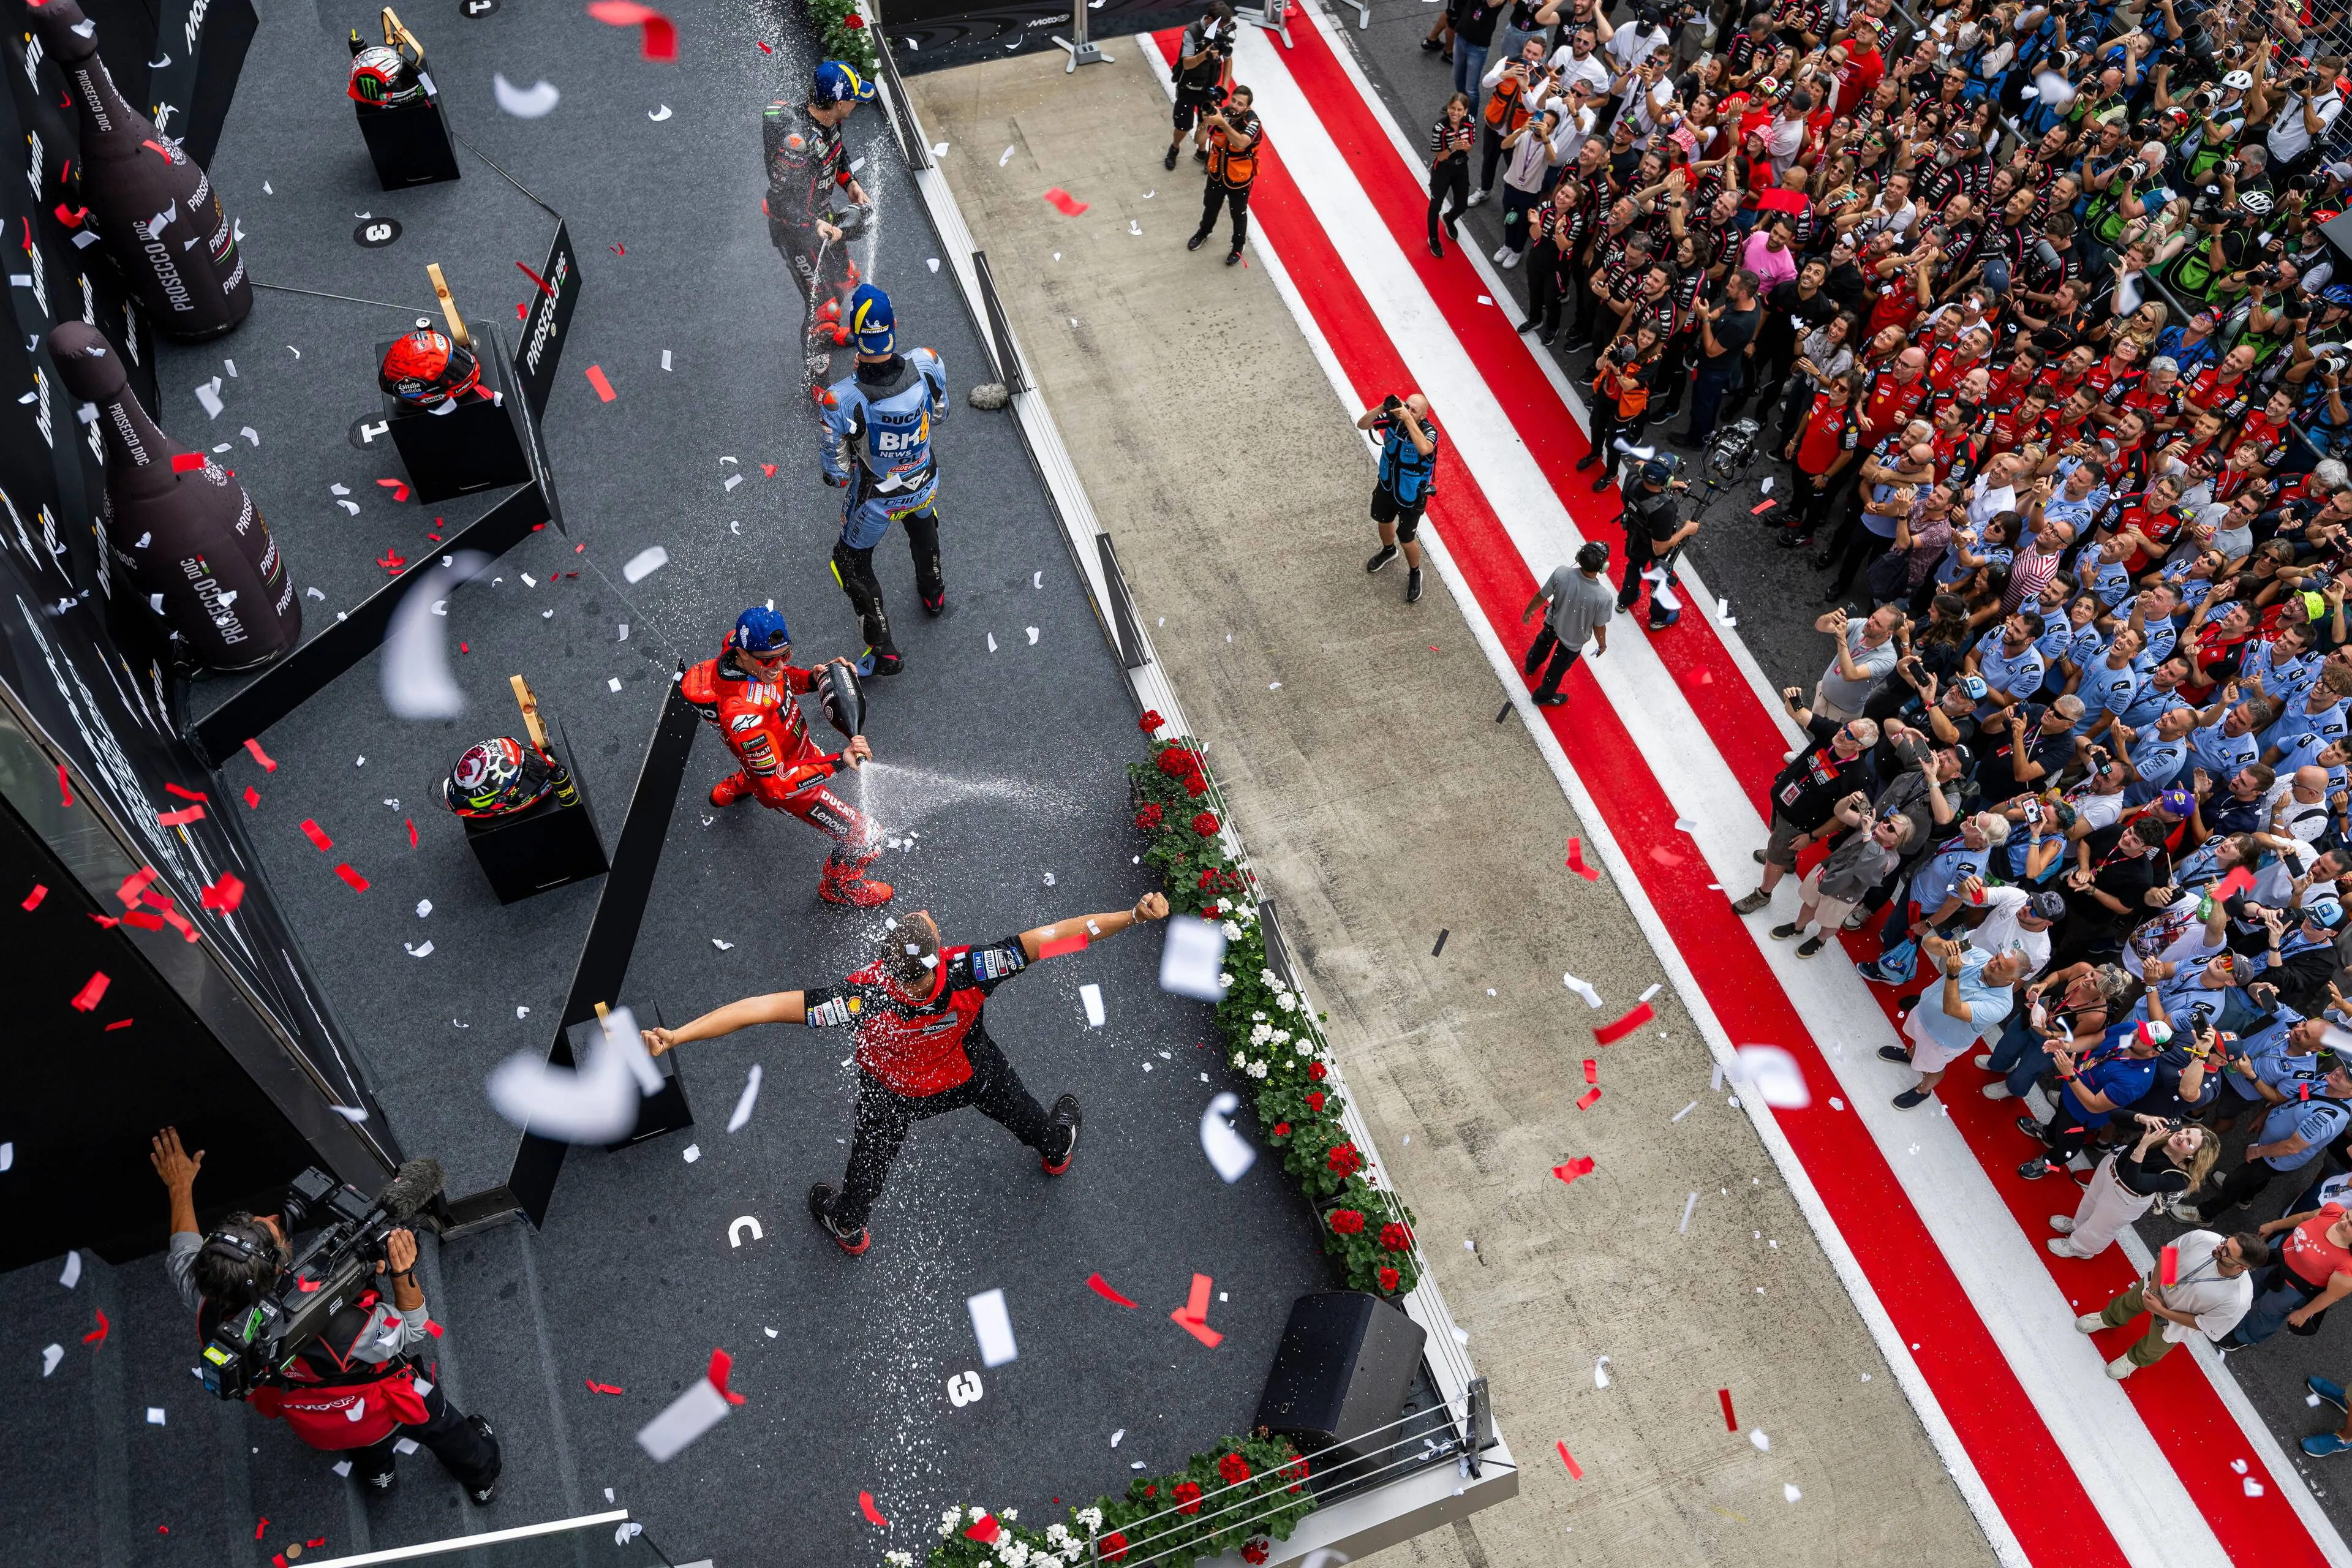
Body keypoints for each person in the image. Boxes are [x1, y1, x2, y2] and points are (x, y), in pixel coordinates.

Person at [644, 894, 1172, 1253]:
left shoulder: (861, 998)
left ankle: (848, 1224)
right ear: (934, 960)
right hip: (968, 1073)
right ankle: (1057, 1149)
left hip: (891, 1093)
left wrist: (677, 1036)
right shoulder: (971, 969)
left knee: (868, 1164)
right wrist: (1134, 915)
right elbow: (1062, 937)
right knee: (1025, 1111)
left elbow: (757, 1009)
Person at [151, 1128, 502, 1501]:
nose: (274, 1216)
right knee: (443, 1425)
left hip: (319, 1420)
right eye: (273, 1228)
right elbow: (412, 1329)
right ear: (276, 1272)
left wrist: (179, 1185)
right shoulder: (348, 1331)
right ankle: (482, 1479)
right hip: (377, 1407)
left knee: (365, 1441)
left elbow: (182, 1252)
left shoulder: (209, 1302)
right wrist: (402, 1273)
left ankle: (379, 1476)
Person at [682, 606, 888, 908]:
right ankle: (839, 885)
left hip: (781, 753)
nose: (778, 665)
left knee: (756, 767)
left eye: (785, 655)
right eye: (769, 660)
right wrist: (839, 762)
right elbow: (777, 785)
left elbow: (782, 679)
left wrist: (817, 678)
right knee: (867, 836)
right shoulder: (744, 719)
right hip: (794, 785)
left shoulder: (742, 653)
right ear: (742, 654)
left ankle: (740, 783)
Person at [816, 285, 950, 678]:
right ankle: (934, 593)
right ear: (894, 326)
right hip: (924, 479)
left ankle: (884, 651)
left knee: (849, 564)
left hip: (875, 500)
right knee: (923, 522)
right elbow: (942, 413)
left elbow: (836, 473)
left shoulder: (838, 399)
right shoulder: (927, 362)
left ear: (856, 336)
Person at [763, 62, 876, 372]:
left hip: (824, 220)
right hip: (795, 233)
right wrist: (814, 224)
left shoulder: (829, 120)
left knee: (845, 279)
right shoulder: (796, 147)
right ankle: (815, 382)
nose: (858, 102)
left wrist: (850, 182)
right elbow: (776, 202)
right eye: (855, 98)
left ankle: (830, 328)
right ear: (840, 103)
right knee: (821, 309)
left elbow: (838, 152)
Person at [1730, 715, 1878, 914]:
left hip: (1799, 823)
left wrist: (1812, 837)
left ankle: (1763, 894)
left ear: (1859, 747)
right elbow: (1798, 713)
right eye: (1845, 727)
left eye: (1850, 734)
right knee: (1779, 842)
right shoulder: (1833, 735)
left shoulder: (1857, 776)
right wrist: (1794, 701)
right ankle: (1786, 858)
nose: (1842, 733)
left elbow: (1841, 820)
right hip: (1786, 804)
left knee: (1776, 856)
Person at [2075, 1229, 2264, 1381]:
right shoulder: (2204, 1238)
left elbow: (2203, 1324)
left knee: (2155, 1347)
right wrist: (2156, 1291)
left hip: (2176, 1321)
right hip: (2157, 1286)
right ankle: (2108, 1318)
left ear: (2241, 1267)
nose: (2219, 1246)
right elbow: (2169, 1254)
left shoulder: (2239, 1299)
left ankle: (2133, 1360)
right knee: (2127, 1303)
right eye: (2226, 1241)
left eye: (2227, 1252)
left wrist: (2162, 1311)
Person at [2047, 1111, 2220, 1260]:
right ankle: (2078, 1226)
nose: (2182, 1136)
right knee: (2090, 1201)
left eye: (2189, 1142)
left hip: (2126, 1197)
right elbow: (2115, 1117)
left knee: (2100, 1226)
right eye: (2187, 1131)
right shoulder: (2166, 1131)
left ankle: (2081, 1248)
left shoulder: (2180, 1179)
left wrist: (2143, 1145)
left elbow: (2133, 1180)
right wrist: (2142, 1118)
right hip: (2111, 1168)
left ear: (2192, 1157)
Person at [1880, 934, 2024, 1108]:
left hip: (1944, 1040)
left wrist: (1952, 975)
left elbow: (1953, 1009)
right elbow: (1928, 943)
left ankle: (1923, 1090)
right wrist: (1944, 944)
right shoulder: (1979, 954)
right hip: (1924, 1014)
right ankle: (1910, 1055)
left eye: (1999, 967)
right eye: (1996, 958)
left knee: (1934, 1068)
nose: (1992, 963)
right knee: (1917, 1039)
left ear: (2011, 980)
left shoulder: (2001, 1005)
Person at [1772, 807, 1910, 958]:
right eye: (1886, 820)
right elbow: (1841, 813)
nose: (1884, 825)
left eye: (1891, 828)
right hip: (1828, 871)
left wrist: (1866, 833)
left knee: (1830, 922)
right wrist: (1849, 800)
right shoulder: (1871, 825)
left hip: (1847, 892)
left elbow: (1876, 862)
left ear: (1897, 841)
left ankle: (1821, 939)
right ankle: (1798, 927)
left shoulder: (1893, 859)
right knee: (1810, 903)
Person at [1360, 394, 1439, 603]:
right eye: (1407, 406)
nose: (1407, 411)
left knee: (1406, 538)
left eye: (1414, 411)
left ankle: (1415, 573)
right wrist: (1381, 408)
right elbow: (1363, 424)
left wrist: (1409, 419)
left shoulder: (1429, 432)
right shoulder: (1394, 418)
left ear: (1424, 416)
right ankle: (1388, 551)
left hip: (1412, 494)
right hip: (1387, 484)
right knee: (1382, 520)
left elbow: (1424, 449)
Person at [1672, 268, 1762, 450]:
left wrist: (1705, 320)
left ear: (1743, 293)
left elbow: (1712, 350)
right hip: (1721, 366)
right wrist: (1712, 315)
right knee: (1710, 403)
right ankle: (1706, 432)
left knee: (1703, 406)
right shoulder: (1750, 301)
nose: (1727, 287)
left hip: (1714, 370)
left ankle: (1697, 440)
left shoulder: (1740, 326)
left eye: (1732, 286)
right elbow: (1725, 308)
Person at [1520, 540, 1616, 706]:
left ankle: (1531, 664)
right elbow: (1599, 626)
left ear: (1578, 557)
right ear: (1603, 567)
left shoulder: (1561, 573)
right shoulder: (1603, 597)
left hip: (1553, 624)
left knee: (1542, 643)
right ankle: (1542, 697)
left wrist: (1528, 611)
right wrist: (1602, 645)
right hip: (1573, 641)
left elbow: (1540, 597)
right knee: (1557, 669)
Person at [1616, 454, 1698, 630]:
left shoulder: (1631, 481)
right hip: (1655, 547)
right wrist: (1686, 531)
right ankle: (1658, 619)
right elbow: (1660, 546)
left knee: (1634, 566)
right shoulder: (1665, 510)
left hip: (1634, 536)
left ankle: (1625, 600)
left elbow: (1638, 464)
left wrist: (1667, 483)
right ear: (1667, 478)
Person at [1189, 86, 1261, 266]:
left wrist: (1222, 124)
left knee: (1238, 214)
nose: (1234, 106)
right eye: (1234, 101)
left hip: (1239, 179)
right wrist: (1205, 122)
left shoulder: (1253, 123)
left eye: (1240, 104)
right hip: (1216, 173)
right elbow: (1199, 140)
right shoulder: (1222, 114)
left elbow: (1241, 142)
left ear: (1248, 107)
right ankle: (1204, 232)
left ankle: (1238, 246)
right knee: (1210, 207)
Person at [1166, 3, 1235, 172]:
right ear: (1209, 20)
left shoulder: (1221, 34)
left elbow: (1228, 60)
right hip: (1188, 87)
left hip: (1209, 87)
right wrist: (1205, 55)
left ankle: (1202, 152)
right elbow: (1187, 64)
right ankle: (1175, 148)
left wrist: (1224, 87)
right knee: (1183, 124)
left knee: (1206, 120)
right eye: (1220, 26)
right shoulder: (1192, 32)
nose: (1222, 30)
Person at [1811, 603, 1901, 722]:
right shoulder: (1861, 623)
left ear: (1889, 633)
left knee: (1823, 740)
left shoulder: (1888, 658)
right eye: (1873, 617)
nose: (1870, 622)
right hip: (1823, 694)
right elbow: (1820, 626)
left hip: (1840, 713)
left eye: (1878, 624)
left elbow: (1850, 675)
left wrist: (1842, 639)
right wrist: (1828, 618)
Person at [1428, 92, 1477, 258]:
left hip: (1461, 168)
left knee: (1462, 205)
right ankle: (1433, 238)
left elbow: (1470, 147)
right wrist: (1452, 148)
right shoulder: (1440, 128)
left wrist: (1464, 146)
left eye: (1459, 109)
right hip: (1442, 169)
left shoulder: (1470, 122)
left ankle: (1449, 219)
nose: (1455, 113)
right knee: (1435, 206)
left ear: (1465, 111)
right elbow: (1439, 156)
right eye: (1452, 108)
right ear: (1448, 108)